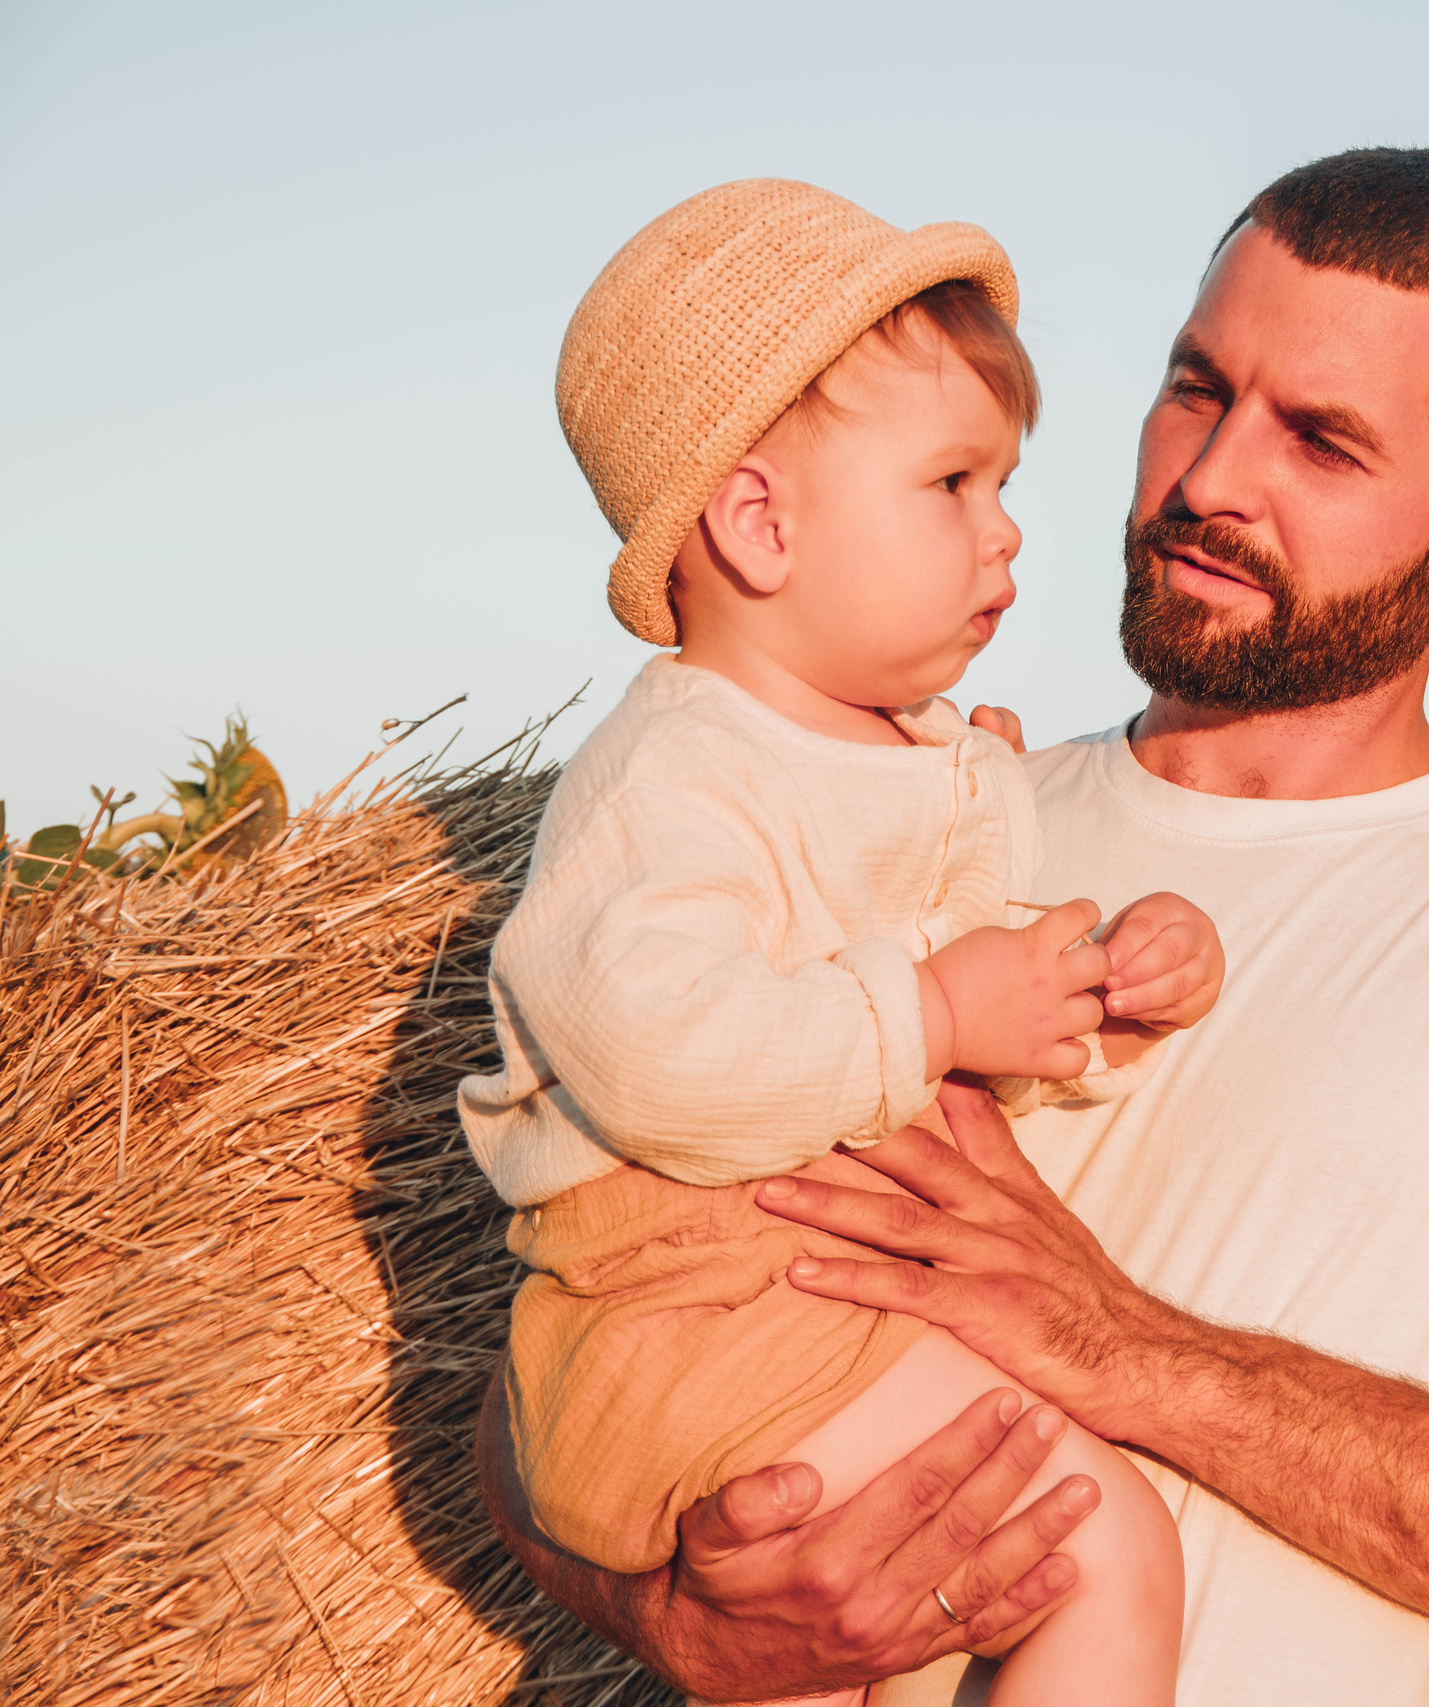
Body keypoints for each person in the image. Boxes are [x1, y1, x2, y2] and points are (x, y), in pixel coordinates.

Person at [483, 148, 1429, 1707]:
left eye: (1320, 439)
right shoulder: (914, 811)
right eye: (1198, 388)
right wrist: (666, 1611)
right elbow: (551, 1334)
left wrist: (1129, 1350)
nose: (1209, 480)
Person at [461, 180, 1229, 1707]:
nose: (1007, 531)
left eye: (1004, 483)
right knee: (1107, 1554)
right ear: (758, 521)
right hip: (693, 1308)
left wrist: (1099, 996)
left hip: (804, 1299)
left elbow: (945, 1034)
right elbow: (657, 1049)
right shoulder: (673, 771)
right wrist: (939, 1010)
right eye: (951, 482)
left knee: (861, 1659)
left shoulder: (906, 758)